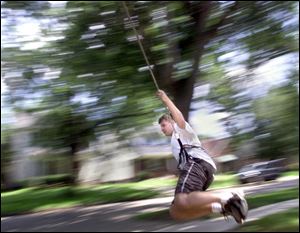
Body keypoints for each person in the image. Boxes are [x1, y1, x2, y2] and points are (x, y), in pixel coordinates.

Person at [156, 89, 248, 224]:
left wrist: (165, 99)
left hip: (197, 164)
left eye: (163, 125)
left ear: (171, 121)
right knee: (176, 211)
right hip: (201, 170)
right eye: (161, 127)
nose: (162, 129)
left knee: (182, 199)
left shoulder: (180, 129)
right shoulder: (174, 140)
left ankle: (230, 196)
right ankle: (223, 207)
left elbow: (179, 118)